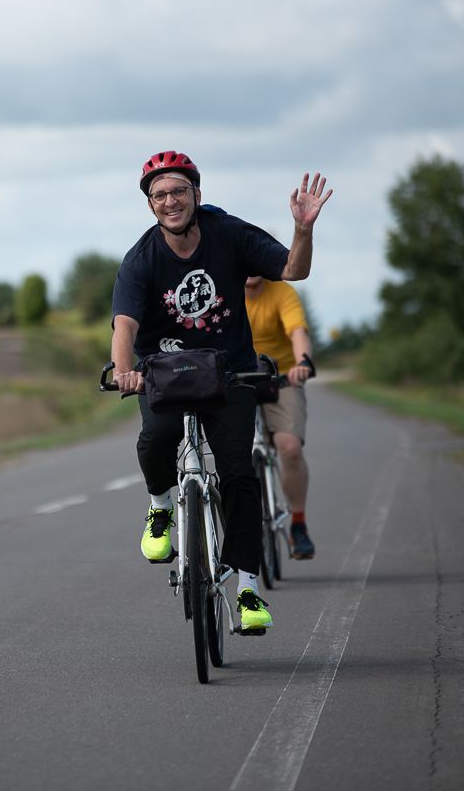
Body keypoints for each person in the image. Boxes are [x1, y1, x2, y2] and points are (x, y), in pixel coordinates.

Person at [110, 151, 331, 632]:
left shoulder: (228, 233)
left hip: (230, 375)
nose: (170, 201)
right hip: (164, 374)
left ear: (197, 194)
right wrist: (124, 371)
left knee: (238, 475)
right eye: (159, 195)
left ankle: (248, 588)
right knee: (156, 439)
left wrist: (303, 229)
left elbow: (293, 269)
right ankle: (160, 509)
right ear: (150, 205)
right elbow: (124, 324)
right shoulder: (141, 259)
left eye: (178, 191)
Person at [245, 275, 316, 559]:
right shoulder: (222, 290)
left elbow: (297, 331)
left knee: (290, 447)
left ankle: (298, 524)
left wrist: (303, 362)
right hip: (236, 379)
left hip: (282, 377)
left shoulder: (281, 293)